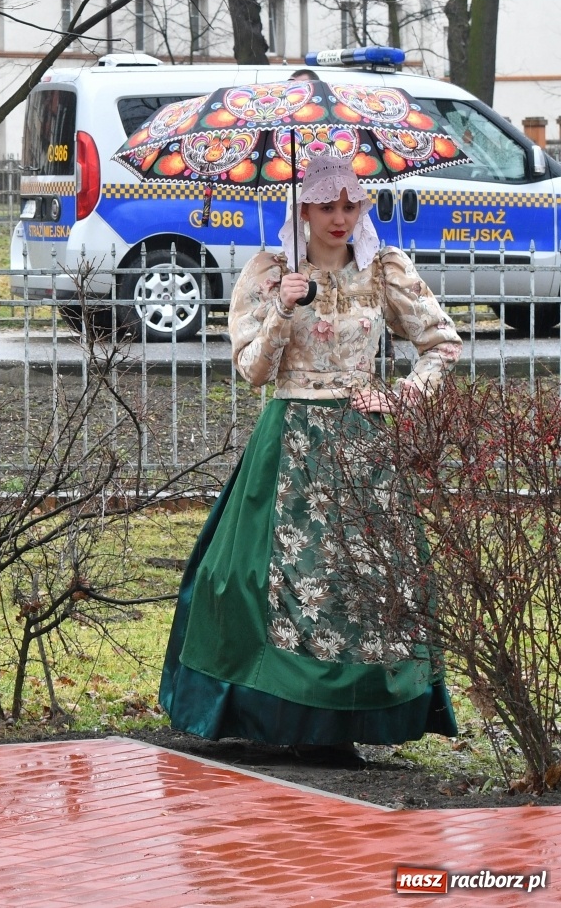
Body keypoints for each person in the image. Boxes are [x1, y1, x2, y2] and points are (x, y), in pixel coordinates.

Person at [159, 153, 462, 758]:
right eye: (327, 205)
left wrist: (397, 396)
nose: (341, 217)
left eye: (352, 204)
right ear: (303, 208)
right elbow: (252, 371)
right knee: (255, 579)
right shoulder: (272, 272)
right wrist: (282, 309)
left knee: (358, 583)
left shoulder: (384, 271)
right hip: (287, 436)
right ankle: (275, 718)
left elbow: (442, 344)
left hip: (361, 443)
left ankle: (343, 723)